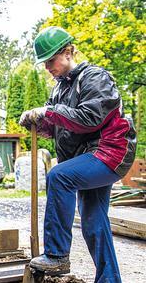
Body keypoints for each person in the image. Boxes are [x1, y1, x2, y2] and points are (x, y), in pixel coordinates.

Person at [20, 26, 136, 282]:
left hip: (110, 152)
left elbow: (89, 118)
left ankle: (57, 255)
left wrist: (47, 112)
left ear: (69, 52)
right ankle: (109, 279)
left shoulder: (95, 78)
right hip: (87, 156)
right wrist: (37, 123)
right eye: (44, 62)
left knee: (59, 177)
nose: (48, 67)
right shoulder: (59, 88)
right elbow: (58, 125)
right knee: (94, 221)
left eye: (51, 60)